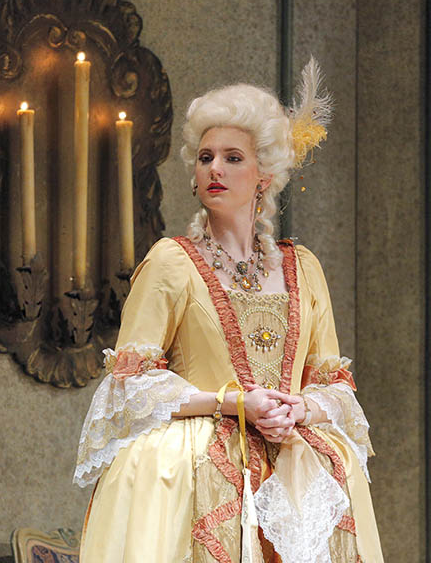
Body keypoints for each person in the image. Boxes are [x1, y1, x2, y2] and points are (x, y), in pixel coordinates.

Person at [73, 58, 383, 563]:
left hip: (297, 474)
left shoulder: (303, 268)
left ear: (264, 176)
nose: (214, 168)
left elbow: (334, 385)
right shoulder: (171, 262)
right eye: (205, 157)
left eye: (232, 157)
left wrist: (298, 409)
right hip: (197, 472)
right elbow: (129, 385)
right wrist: (234, 403)